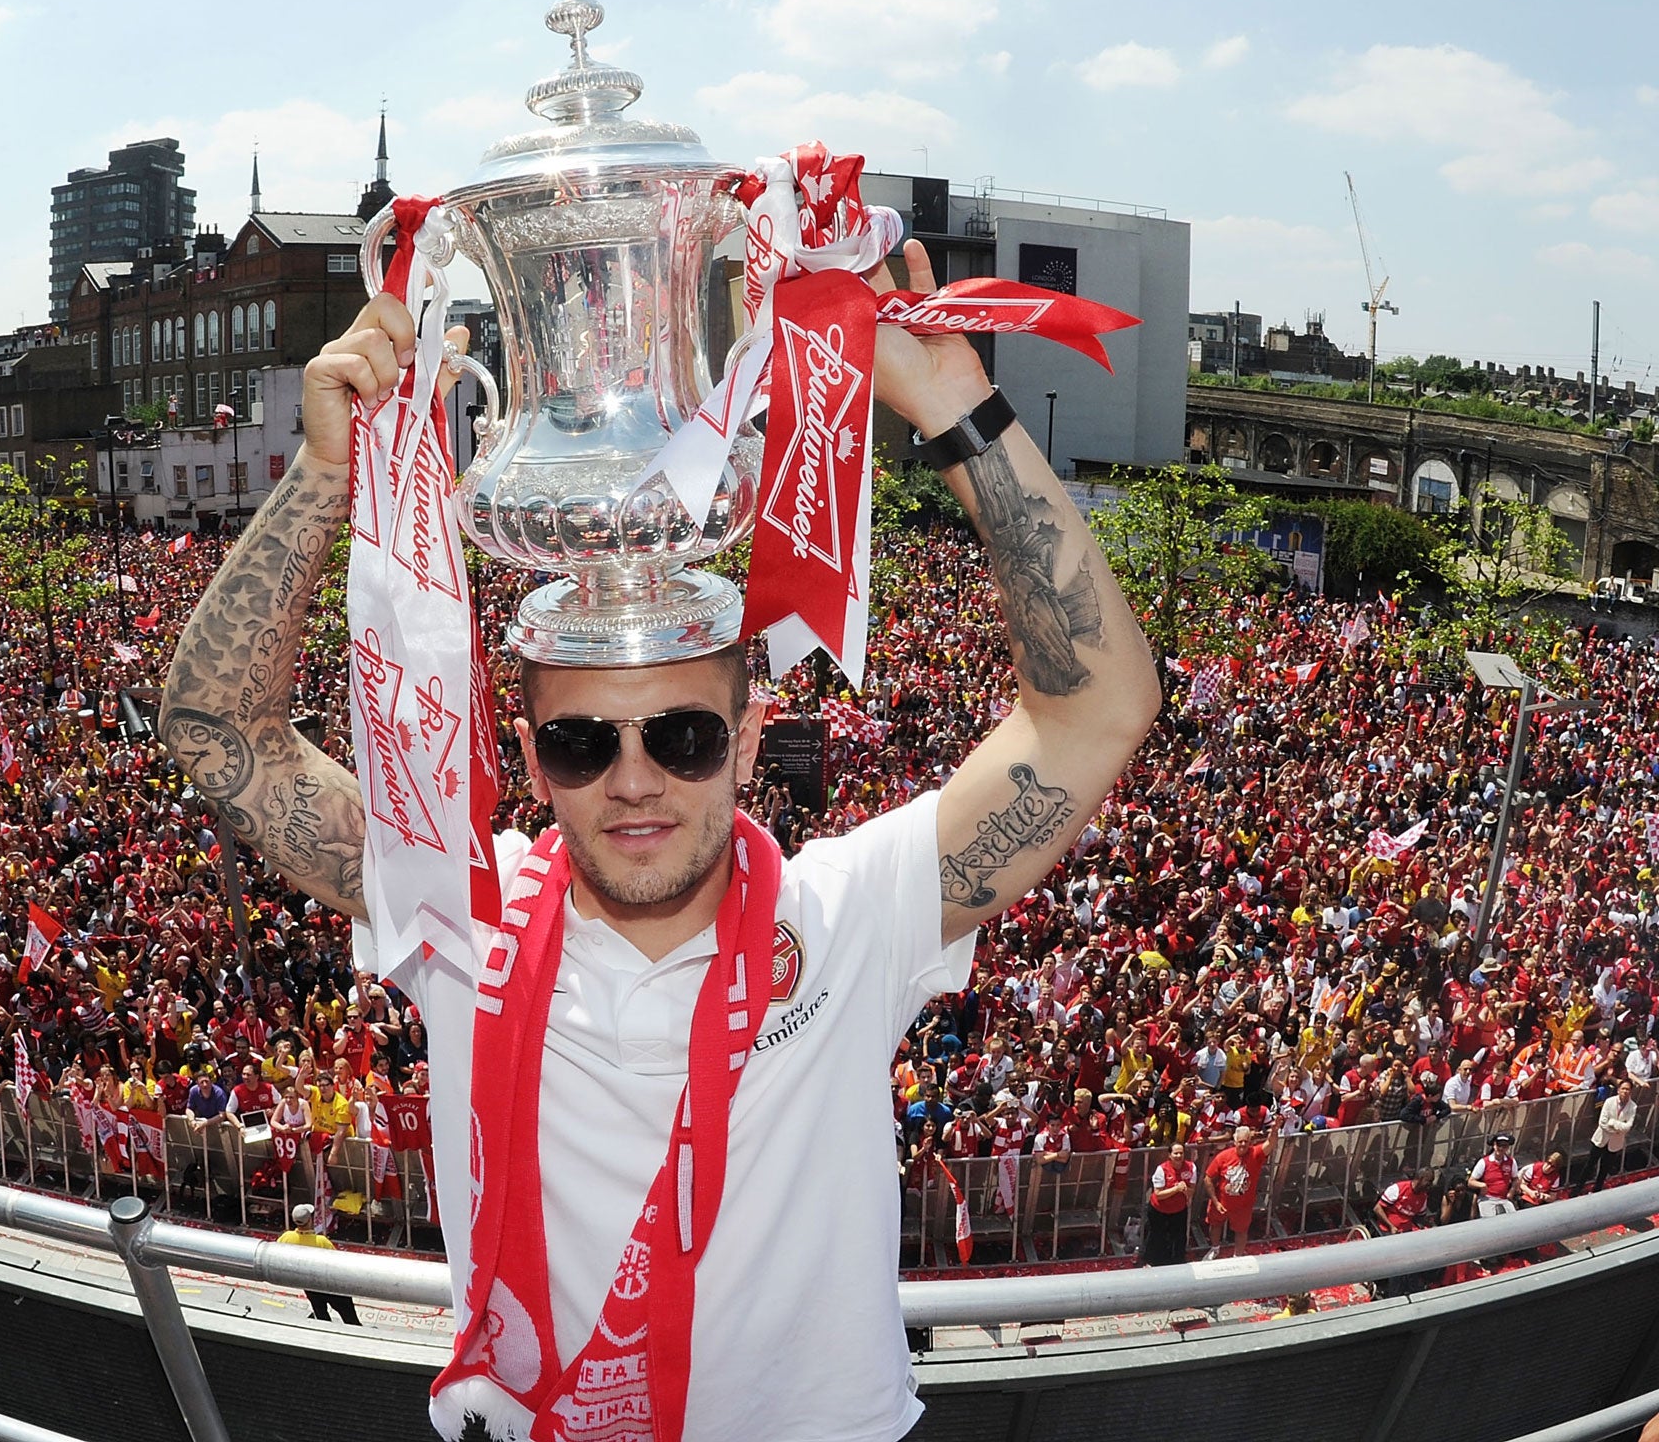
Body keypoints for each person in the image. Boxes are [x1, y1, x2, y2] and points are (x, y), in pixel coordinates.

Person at [161, 242, 1161, 1442]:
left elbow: (1094, 711)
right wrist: (326, 470)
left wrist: (952, 404)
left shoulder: (847, 918)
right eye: (581, 745)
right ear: (528, 760)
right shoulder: (454, 912)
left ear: (749, 741)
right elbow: (218, 730)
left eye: (682, 736)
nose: (634, 782)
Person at [277, 1203, 359, 1325]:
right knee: (349, 1318)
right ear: (310, 1220)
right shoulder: (321, 1242)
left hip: (309, 1285)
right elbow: (337, 1263)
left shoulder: (286, 1238)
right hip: (331, 1286)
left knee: (321, 1315)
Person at [1202, 1124, 1270, 1257]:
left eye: (1246, 1141)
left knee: (1241, 1231)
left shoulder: (1255, 1153)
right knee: (1215, 1226)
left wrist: (1274, 1131)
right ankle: (1215, 1249)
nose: (1243, 1144)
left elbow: (1270, 1144)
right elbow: (1208, 1178)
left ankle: (1237, 1256)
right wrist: (1215, 1202)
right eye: (1240, 1141)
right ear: (1235, 1142)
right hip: (1221, 1203)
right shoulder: (1223, 1156)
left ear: (1250, 1142)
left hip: (1243, 1206)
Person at [1141, 1139, 1195, 1267]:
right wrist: (1176, 1189)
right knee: (1157, 1236)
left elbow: (1192, 1191)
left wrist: (1185, 1190)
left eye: (1181, 1153)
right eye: (1175, 1153)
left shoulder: (1191, 1167)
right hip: (1159, 1210)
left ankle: (1177, 1262)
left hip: (1179, 1209)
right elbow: (1158, 1195)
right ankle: (1151, 1262)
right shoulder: (1161, 1169)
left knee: (1179, 1237)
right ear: (1169, 1155)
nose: (1178, 1156)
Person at [1589, 1079, 1637, 1193]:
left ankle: (1597, 1190)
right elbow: (1602, 1122)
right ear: (1618, 1090)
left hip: (1615, 1143)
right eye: (1623, 1089)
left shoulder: (1633, 1107)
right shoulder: (1609, 1101)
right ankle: (1577, 1189)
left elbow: (1628, 1126)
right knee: (1590, 1164)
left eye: (1628, 1089)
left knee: (1604, 1168)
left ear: (1631, 1092)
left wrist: (1613, 1123)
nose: (1625, 1091)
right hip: (1601, 1139)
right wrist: (1616, 1129)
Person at [1466, 1132, 1520, 1218]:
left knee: (1513, 1220)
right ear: (1494, 1145)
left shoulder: (1511, 1162)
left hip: (1504, 1199)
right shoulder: (1484, 1162)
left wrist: (1512, 1191)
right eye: (1499, 1145)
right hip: (1487, 1198)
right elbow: (1470, 1182)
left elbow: (1515, 1179)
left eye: (1505, 1146)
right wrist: (1482, 1185)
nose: (1501, 1148)